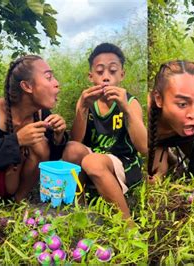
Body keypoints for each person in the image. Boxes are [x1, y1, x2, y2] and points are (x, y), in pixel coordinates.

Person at [62, 43, 147, 219]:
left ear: (122, 75)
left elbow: (144, 147)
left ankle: (127, 225)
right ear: (91, 76)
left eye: (113, 71)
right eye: (100, 72)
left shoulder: (130, 102)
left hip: (123, 161)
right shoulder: (86, 100)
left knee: (93, 162)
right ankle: (82, 209)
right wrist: (83, 109)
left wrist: (126, 110)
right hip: (93, 157)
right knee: (70, 149)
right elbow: (76, 141)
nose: (106, 77)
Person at [0, 55, 67, 202]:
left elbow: (51, 160)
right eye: (49, 77)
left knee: (40, 144)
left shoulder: (41, 114)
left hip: (12, 185)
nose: (57, 83)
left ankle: (17, 202)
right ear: (27, 86)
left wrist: (58, 137)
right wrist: (17, 140)